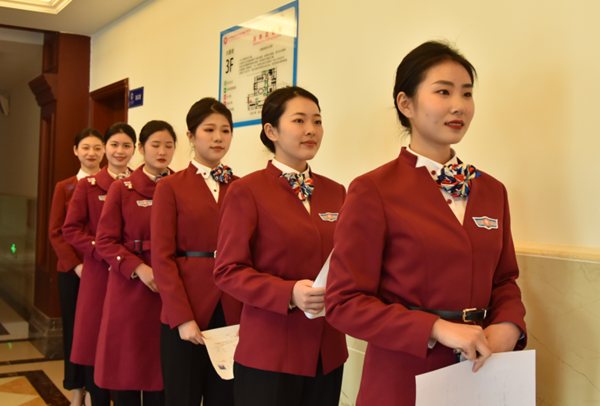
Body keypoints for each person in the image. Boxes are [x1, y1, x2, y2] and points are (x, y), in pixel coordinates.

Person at [324, 40, 527, 406]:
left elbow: (504, 280)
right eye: (443, 92)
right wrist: (435, 328)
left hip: (481, 371)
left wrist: (509, 324)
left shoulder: (491, 190)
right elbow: (344, 302)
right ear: (406, 104)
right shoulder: (373, 190)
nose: (458, 105)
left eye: (467, 93)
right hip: (403, 376)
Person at [214, 86, 348, 406]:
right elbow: (228, 270)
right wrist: (289, 293)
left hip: (327, 351)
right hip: (270, 352)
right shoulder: (246, 190)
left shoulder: (336, 191)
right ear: (271, 131)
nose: (311, 130)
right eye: (299, 120)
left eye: (317, 121)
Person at [152, 98, 242, 406]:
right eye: (209, 129)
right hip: (187, 306)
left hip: (232, 305)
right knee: (183, 396)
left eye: (226, 130)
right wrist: (181, 317)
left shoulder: (242, 187)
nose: (218, 137)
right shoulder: (170, 186)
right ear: (191, 135)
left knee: (227, 396)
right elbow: (162, 257)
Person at [94, 120, 177, 406]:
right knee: (127, 366)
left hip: (169, 285)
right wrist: (138, 269)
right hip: (129, 286)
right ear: (141, 148)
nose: (162, 151)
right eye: (155, 145)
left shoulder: (179, 186)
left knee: (161, 369)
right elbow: (105, 241)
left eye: (169, 145)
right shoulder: (122, 188)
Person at [63, 123, 137, 406]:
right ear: (106, 148)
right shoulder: (88, 186)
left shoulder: (141, 183)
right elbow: (71, 230)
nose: (120, 151)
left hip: (131, 274)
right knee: (96, 341)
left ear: (135, 149)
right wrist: (102, 251)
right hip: (99, 273)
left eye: (126, 145)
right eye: (114, 145)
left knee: (126, 340)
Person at [49, 128, 104, 406]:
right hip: (73, 272)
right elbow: (56, 232)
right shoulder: (65, 186)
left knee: (99, 330)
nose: (91, 153)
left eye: (97, 148)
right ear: (76, 151)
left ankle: (97, 388)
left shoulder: (114, 185)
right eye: (85, 147)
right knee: (73, 330)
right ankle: (75, 388)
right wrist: (76, 266)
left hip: (104, 270)